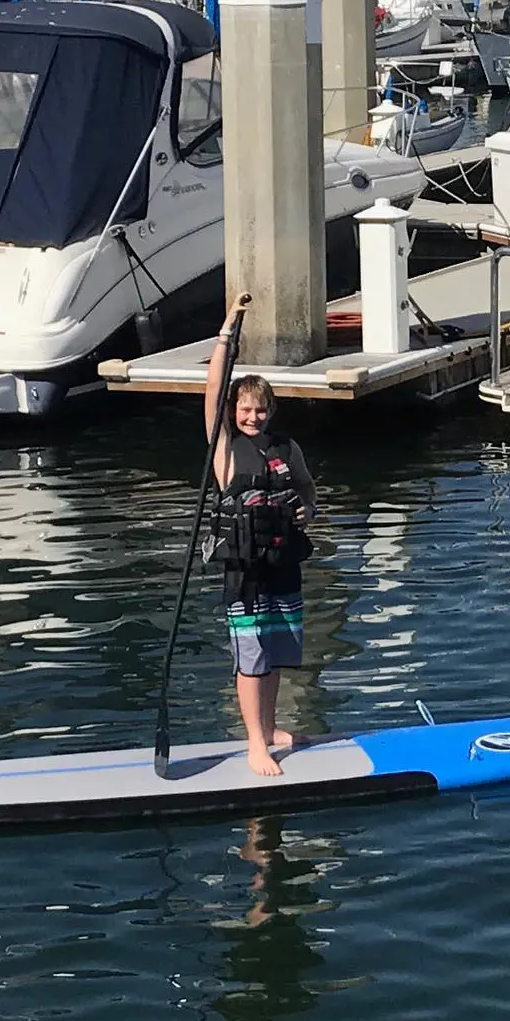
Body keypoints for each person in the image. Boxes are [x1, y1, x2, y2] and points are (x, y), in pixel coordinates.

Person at [204, 293, 318, 776]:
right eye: (246, 410)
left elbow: (309, 492)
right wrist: (230, 324)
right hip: (245, 572)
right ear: (234, 412)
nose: (254, 418)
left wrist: (308, 513)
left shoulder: (285, 448)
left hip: (282, 565)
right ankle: (255, 742)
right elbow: (212, 389)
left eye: (261, 411)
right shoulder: (224, 447)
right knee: (251, 658)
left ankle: (270, 728)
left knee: (274, 653)